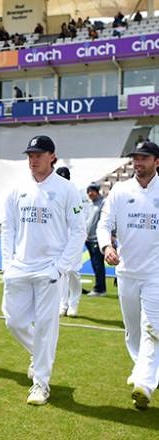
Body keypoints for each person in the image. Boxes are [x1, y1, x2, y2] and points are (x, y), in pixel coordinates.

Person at [1, 135, 86, 406]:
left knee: (47, 327)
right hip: (20, 267)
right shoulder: (17, 188)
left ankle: (41, 384)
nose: (33, 159)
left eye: (38, 154)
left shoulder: (66, 189)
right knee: (13, 321)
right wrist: (7, 263)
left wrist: (61, 267)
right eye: (30, 155)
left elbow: (78, 230)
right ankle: (38, 357)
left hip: (49, 269)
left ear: (52, 157)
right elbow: (8, 227)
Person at [97, 141, 159, 408]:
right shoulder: (120, 190)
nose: (138, 163)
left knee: (152, 328)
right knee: (132, 330)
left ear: (157, 161)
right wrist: (107, 246)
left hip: (155, 274)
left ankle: (144, 383)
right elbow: (104, 224)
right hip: (126, 273)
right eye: (135, 158)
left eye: (144, 158)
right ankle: (142, 372)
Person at [55, 166, 84, 318]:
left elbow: (79, 222)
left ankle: (74, 304)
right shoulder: (51, 194)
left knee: (72, 272)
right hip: (59, 240)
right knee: (61, 273)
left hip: (73, 239)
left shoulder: (75, 193)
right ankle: (62, 304)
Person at [84, 183, 106, 296]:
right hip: (87, 238)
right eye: (88, 191)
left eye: (92, 191)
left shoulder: (103, 203)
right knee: (94, 263)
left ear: (97, 191)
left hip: (97, 238)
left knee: (98, 264)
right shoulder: (87, 203)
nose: (90, 193)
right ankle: (98, 287)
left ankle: (100, 289)